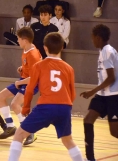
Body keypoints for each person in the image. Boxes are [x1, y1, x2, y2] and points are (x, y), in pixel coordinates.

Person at [8, 32, 83, 161]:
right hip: (65, 107)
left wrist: (26, 108)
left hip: (46, 106)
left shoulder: (39, 66)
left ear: (45, 48)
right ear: (62, 48)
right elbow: (73, 93)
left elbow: (30, 90)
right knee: (68, 140)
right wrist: (65, 108)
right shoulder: (69, 68)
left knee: (19, 134)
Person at [0, 27, 41, 145]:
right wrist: (23, 69)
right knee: (0, 97)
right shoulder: (26, 49)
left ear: (25, 40)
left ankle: (30, 132)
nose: (17, 41)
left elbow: (34, 77)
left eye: (18, 39)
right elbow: (29, 67)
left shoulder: (33, 54)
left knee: (15, 104)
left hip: (32, 83)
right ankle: (10, 127)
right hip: (24, 79)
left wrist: (20, 83)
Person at [80, 24, 118, 161]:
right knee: (88, 120)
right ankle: (90, 158)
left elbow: (111, 77)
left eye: (92, 37)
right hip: (102, 96)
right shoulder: (102, 50)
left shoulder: (107, 51)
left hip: (113, 96)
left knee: (114, 132)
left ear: (98, 38)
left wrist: (92, 91)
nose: (92, 40)